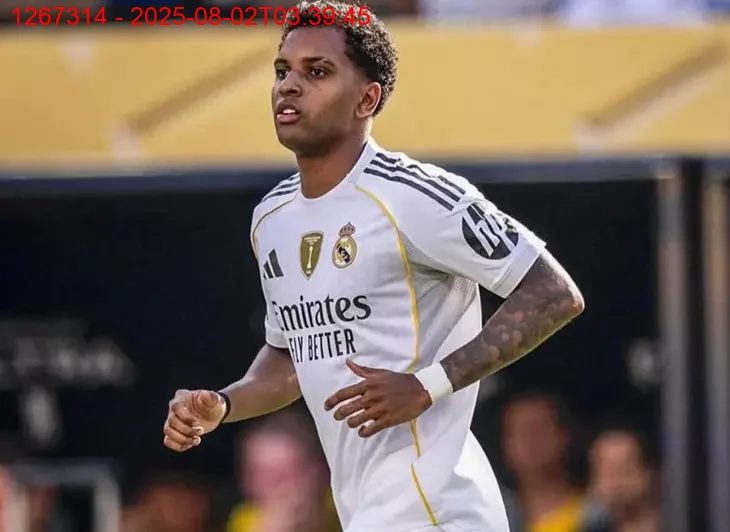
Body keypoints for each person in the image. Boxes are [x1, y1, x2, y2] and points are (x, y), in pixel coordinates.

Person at [161, 2, 585, 531]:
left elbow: (553, 293)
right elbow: (293, 358)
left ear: (367, 98)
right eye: (282, 70)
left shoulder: (414, 196)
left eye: (317, 71)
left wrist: (428, 385)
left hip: (441, 513)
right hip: (368, 513)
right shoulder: (270, 219)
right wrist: (223, 404)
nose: (289, 86)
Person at [226, 407, 339, 532]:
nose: (274, 489)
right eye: (261, 475)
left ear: (317, 473)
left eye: (283, 476)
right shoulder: (245, 522)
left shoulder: (345, 506)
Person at [502, 393, 589, 532]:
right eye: (520, 432)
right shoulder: (492, 516)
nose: (530, 440)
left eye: (539, 430)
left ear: (563, 436)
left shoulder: (594, 514)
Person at [587, 428, 659, 532]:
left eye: (625, 472)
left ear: (649, 474)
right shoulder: (591, 526)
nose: (614, 485)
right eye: (605, 474)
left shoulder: (676, 523)